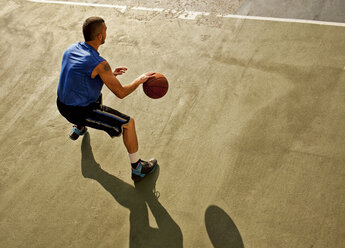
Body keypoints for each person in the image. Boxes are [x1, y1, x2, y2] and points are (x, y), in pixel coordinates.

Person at [57, 16, 157, 183]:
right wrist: (139, 81)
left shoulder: (72, 49)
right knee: (128, 124)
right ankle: (138, 168)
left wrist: (109, 75)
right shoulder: (100, 64)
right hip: (79, 112)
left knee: (95, 93)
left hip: (61, 104)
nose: (106, 33)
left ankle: (79, 128)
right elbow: (121, 92)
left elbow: (79, 74)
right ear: (99, 37)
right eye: (105, 31)